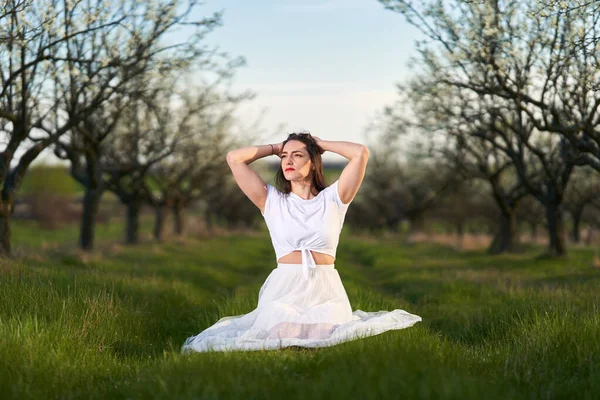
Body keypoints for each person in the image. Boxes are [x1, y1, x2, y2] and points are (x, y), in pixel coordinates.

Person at [182, 132, 421, 352]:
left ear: (314, 162)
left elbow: (360, 153)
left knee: (323, 340)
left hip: (325, 288)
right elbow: (234, 158)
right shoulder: (271, 201)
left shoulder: (334, 199)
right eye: (284, 156)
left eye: (297, 155)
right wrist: (276, 147)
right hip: (285, 288)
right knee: (283, 339)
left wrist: (320, 145)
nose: (288, 160)